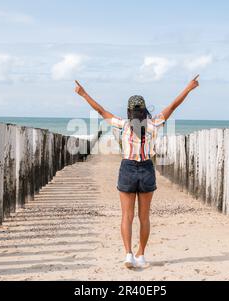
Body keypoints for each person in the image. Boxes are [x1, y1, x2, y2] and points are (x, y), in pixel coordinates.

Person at [75, 76, 200, 269]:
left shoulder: (123, 124)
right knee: (144, 217)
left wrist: (83, 94)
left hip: (128, 168)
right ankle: (141, 254)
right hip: (147, 168)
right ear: (144, 110)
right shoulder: (154, 123)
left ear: (129, 111)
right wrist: (189, 88)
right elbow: (173, 105)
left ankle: (128, 254)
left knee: (127, 216)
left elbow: (100, 110)